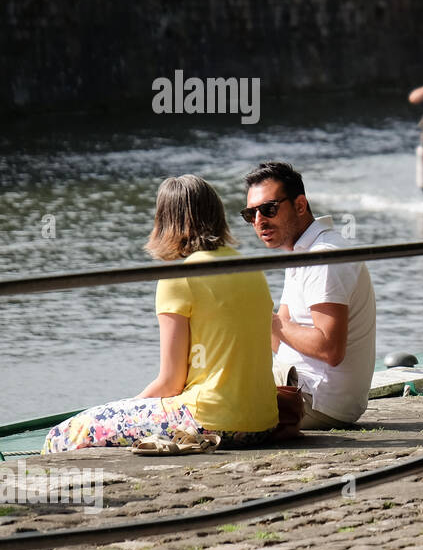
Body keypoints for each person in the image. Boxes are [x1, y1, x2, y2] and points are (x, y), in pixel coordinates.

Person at [44, 176, 279, 453]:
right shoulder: (253, 268)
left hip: (212, 419)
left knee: (64, 433)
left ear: (166, 221)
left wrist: (129, 408)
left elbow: (170, 382)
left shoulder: (179, 276)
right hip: (264, 423)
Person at [243, 162, 377, 429]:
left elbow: (329, 348)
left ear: (300, 205)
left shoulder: (322, 257)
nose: (259, 221)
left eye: (268, 209)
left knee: (212, 401)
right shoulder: (303, 252)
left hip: (319, 402)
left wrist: (263, 319)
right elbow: (279, 340)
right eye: (250, 214)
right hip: (305, 388)